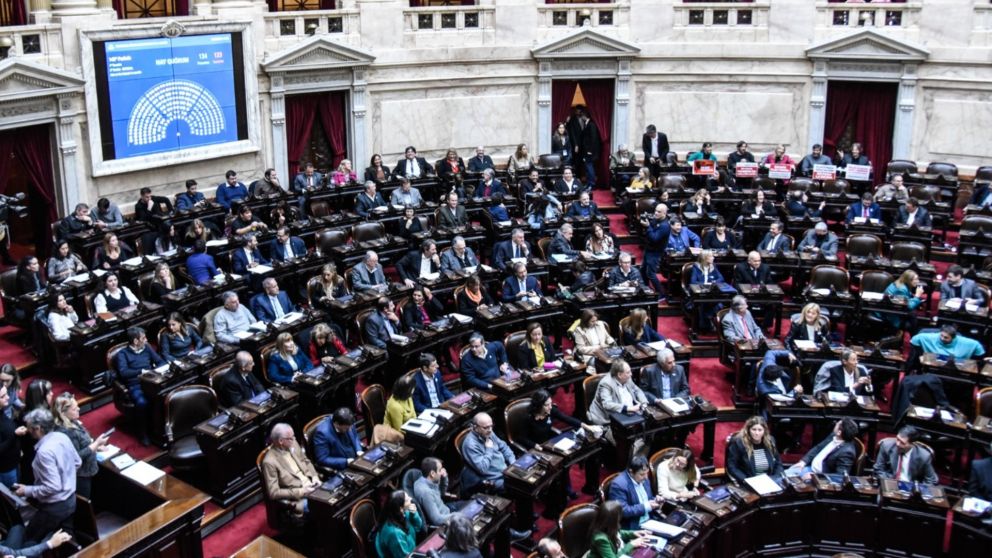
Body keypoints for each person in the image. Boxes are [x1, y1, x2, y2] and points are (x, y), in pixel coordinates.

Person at [15, 408, 80, 543]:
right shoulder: (62, 436)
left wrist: (26, 490)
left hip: (55, 506)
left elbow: (53, 487)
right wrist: (66, 479)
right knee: (67, 539)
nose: (27, 429)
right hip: (71, 499)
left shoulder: (44, 452)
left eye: (29, 426)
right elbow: (77, 462)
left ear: (37, 428)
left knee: (29, 539)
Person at [52, 393, 106, 500]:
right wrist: (96, 444)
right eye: (74, 408)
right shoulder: (67, 432)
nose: (79, 409)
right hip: (80, 476)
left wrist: (96, 447)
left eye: (77, 406)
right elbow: (75, 457)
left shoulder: (72, 422)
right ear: (63, 413)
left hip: (87, 471)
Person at [261, 423, 320, 519]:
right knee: (323, 509)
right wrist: (302, 491)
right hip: (299, 498)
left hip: (313, 485)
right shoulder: (269, 462)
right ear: (281, 441)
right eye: (291, 438)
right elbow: (273, 493)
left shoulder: (293, 443)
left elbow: (306, 461)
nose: (294, 439)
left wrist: (314, 476)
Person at [460, 412, 515, 495]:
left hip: (505, 471)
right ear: (475, 427)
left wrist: (513, 462)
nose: (490, 430)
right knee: (520, 487)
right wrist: (489, 449)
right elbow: (482, 468)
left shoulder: (489, 432)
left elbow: (504, 447)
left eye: (491, 426)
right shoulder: (470, 445)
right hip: (493, 478)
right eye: (485, 427)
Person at [789, 418, 858, 479]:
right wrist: (803, 462)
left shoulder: (847, 452)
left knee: (786, 483)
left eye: (837, 424)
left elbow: (840, 477)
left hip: (818, 478)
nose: (835, 424)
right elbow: (818, 448)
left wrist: (815, 477)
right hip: (809, 468)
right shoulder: (834, 435)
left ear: (839, 432)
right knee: (784, 475)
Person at [588, 360, 649, 428]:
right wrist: (628, 408)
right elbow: (607, 404)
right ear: (619, 375)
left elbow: (637, 390)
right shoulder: (606, 383)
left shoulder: (627, 378)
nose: (631, 374)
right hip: (608, 418)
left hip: (630, 413)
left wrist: (644, 402)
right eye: (628, 372)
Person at [726, 416, 784, 484]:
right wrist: (746, 480)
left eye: (760, 430)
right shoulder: (739, 443)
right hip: (749, 482)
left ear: (764, 431)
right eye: (754, 429)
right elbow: (732, 467)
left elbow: (778, 463)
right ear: (748, 430)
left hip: (769, 481)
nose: (757, 433)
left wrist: (774, 478)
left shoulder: (770, 441)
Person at [608, 455, 661, 529]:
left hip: (651, 520)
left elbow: (647, 500)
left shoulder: (644, 479)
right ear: (631, 471)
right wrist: (646, 506)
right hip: (634, 526)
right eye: (642, 474)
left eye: (647, 473)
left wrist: (655, 500)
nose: (646, 477)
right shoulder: (619, 485)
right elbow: (623, 511)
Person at [874, 426, 938, 484]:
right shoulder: (886, 446)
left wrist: (918, 490)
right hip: (889, 482)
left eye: (902, 443)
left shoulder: (924, 456)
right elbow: (878, 469)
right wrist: (889, 483)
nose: (898, 444)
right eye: (897, 439)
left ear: (912, 444)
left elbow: (931, 480)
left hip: (911, 487)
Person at [375, 489, 424, 558]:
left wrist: (413, 515)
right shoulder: (394, 534)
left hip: (413, 551)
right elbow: (404, 556)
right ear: (400, 508)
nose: (411, 499)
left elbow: (418, 528)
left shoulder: (403, 513)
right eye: (407, 500)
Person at [413, 457, 458, 527]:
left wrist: (444, 478)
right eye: (440, 470)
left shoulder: (426, 480)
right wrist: (457, 515)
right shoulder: (426, 493)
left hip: (445, 509)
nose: (442, 472)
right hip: (445, 518)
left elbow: (441, 494)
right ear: (432, 473)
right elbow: (437, 519)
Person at [641, 203, 671, 298]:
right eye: (655, 211)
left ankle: (661, 294)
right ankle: (646, 289)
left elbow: (654, 238)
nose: (656, 213)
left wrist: (648, 226)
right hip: (649, 249)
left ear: (664, 213)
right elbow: (652, 226)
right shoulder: (656, 220)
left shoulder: (665, 226)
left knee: (651, 274)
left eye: (659, 212)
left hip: (655, 252)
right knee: (643, 271)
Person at [910, 324, 985, 360]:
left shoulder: (964, 342)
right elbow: (915, 339)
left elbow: (978, 348)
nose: (942, 338)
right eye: (941, 335)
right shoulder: (931, 337)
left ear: (953, 337)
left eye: (946, 337)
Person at [0, 385, 21, 489]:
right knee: (13, 499)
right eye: (3, 396)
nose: (8, 397)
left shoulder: (2, 412)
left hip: (13, 463)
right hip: (5, 469)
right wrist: (14, 435)